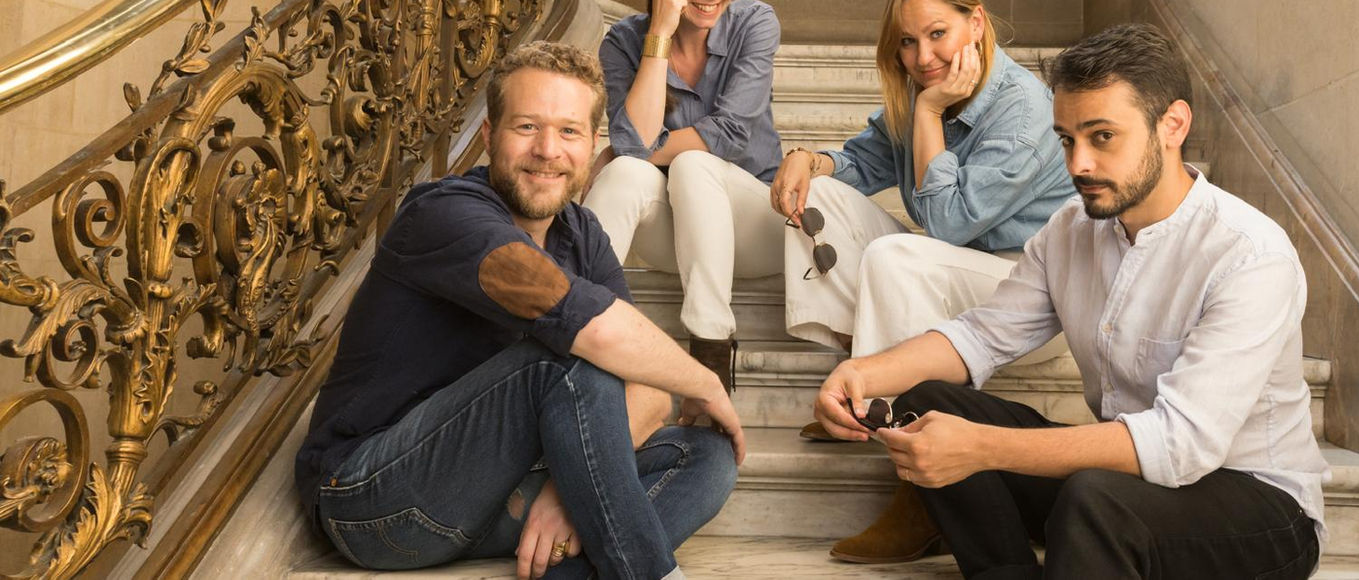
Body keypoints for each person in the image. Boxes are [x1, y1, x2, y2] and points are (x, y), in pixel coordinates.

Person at [814, 24, 1329, 578]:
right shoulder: (1070, 230)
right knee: (930, 401)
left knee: (1094, 501)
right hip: (1123, 484)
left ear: (1173, 125)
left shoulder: (1249, 254)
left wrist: (984, 448)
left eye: (1102, 136)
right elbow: (980, 336)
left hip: (1256, 506)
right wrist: (861, 373)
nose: (1078, 164)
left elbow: (1179, 444)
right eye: (1066, 139)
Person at [294, 42, 745, 579]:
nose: (548, 150)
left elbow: (647, 391)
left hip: (494, 495)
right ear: (489, 136)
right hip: (375, 497)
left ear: (593, 144)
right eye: (527, 126)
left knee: (706, 455)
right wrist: (706, 381)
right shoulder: (444, 213)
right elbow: (591, 332)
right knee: (564, 359)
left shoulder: (582, 233)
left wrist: (567, 489)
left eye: (569, 131)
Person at [770, 0, 1073, 364]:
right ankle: (860, 350)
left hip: (1027, 300)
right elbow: (862, 164)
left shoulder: (1022, 110)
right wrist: (807, 160)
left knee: (894, 257)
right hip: (952, 273)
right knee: (819, 194)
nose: (924, 57)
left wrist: (929, 111)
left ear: (976, 23)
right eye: (907, 41)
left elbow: (948, 225)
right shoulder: (925, 93)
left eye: (938, 33)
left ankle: (882, 386)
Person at [583, 0, 783, 393]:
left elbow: (728, 134)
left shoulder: (754, 22)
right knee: (624, 173)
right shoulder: (623, 42)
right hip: (680, 235)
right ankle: (576, 321)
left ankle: (710, 356)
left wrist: (624, 148)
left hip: (758, 228)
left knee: (691, 164)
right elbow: (633, 146)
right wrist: (659, 34)